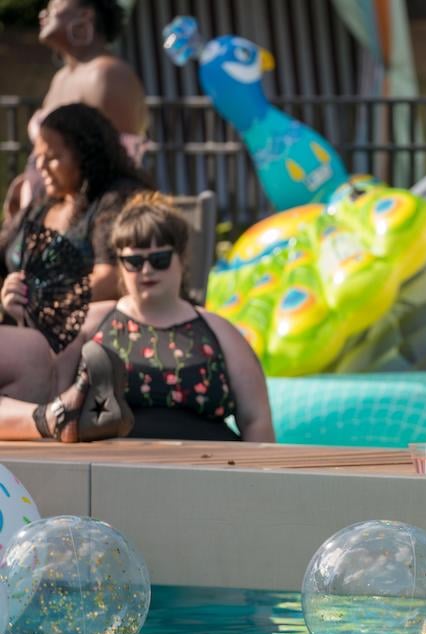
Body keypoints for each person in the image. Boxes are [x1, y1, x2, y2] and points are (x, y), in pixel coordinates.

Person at [0, 193, 274, 443]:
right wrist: (24, 314)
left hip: (212, 468)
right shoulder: (88, 323)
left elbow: (256, 419)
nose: (146, 270)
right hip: (110, 471)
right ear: (120, 264)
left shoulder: (219, 331)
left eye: (159, 259)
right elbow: (50, 395)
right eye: (134, 261)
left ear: (181, 258)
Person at [1, 103, 153, 353]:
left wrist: (42, 307)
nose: (40, 166)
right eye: (37, 157)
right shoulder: (44, 204)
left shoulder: (116, 198)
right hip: (21, 333)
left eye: (52, 157)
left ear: (85, 155)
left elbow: (111, 277)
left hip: (83, 340)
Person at [4, 0, 148, 216]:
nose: (43, 14)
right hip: (51, 214)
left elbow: (113, 165)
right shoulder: (61, 78)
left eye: (54, 7)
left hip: (85, 221)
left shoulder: (108, 75)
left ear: (85, 16)